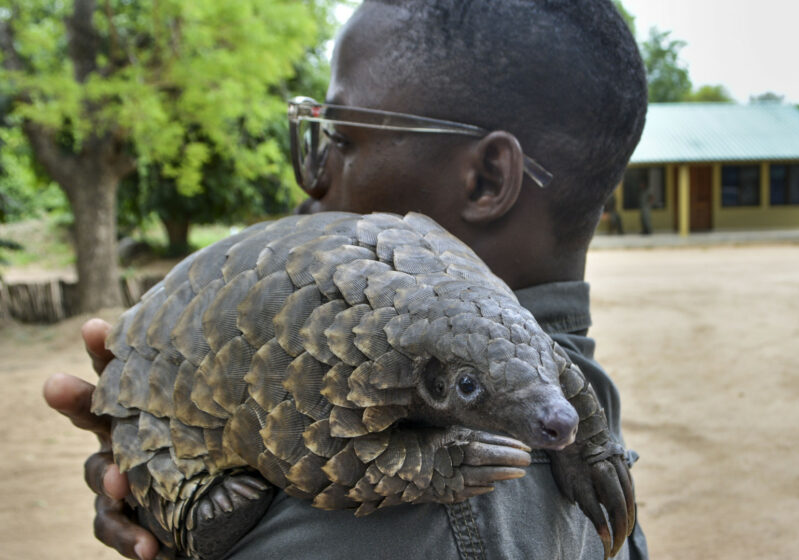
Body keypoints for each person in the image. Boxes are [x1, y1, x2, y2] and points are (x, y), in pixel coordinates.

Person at [44, 0, 649, 558]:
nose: (313, 181)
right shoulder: (579, 376)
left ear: (487, 179)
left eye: (341, 137)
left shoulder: (422, 517)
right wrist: (163, 442)